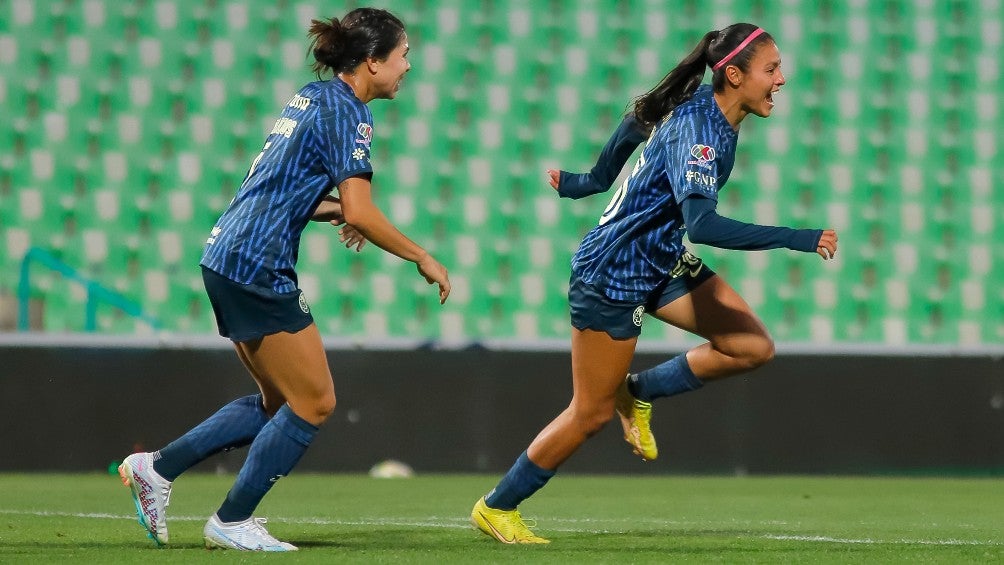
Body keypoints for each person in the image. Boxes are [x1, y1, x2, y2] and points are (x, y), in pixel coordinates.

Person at [471, 23, 838, 544]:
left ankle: (637, 393)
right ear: (734, 75)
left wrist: (591, 181)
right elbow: (703, 226)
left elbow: (634, 122)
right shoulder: (702, 136)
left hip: (658, 261)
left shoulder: (698, 109)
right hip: (613, 273)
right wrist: (796, 237)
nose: (782, 79)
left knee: (750, 346)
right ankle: (496, 506)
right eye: (771, 69)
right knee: (590, 413)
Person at [118, 8, 450, 552]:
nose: (408, 66)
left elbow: (282, 186)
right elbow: (362, 211)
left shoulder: (312, 97)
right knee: (314, 402)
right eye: (403, 54)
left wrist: (334, 211)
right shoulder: (350, 113)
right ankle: (231, 519)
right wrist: (421, 256)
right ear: (372, 61)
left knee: (279, 402)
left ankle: (157, 469)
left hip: (227, 253)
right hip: (257, 264)